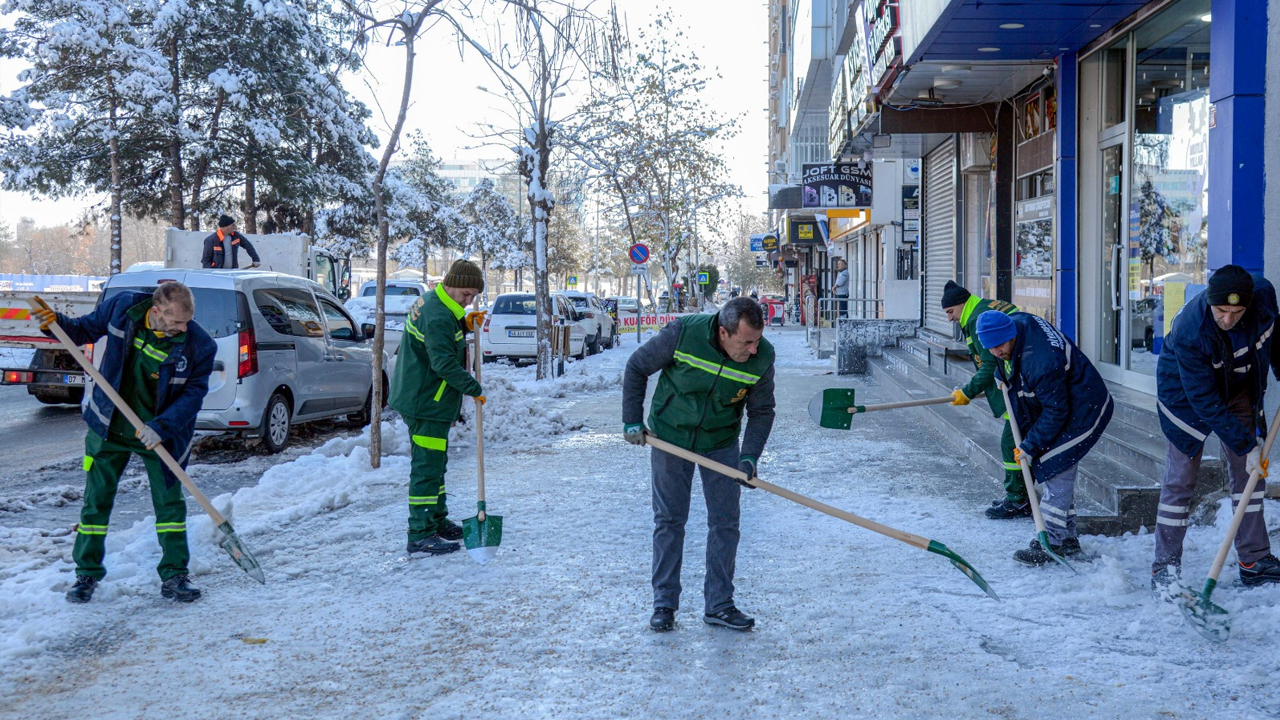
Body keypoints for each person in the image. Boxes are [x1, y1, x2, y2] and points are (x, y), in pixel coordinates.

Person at [34, 282, 217, 603]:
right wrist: (55, 323)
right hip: (110, 426)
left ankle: (175, 575)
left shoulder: (199, 345)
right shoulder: (123, 309)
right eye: (176, 322)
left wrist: (161, 427)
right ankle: (86, 574)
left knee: (170, 506)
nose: (182, 328)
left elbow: (193, 396)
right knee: (96, 500)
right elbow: (82, 331)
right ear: (155, 311)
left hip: (160, 436)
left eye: (186, 322)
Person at [622, 297, 776, 632]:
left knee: (725, 522)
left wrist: (749, 457)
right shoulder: (683, 334)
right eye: (746, 342)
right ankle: (664, 604)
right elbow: (637, 367)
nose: (753, 349)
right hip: (670, 436)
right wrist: (631, 421)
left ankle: (719, 605)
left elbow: (762, 412)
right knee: (670, 519)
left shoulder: (762, 357)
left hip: (720, 442)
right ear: (723, 332)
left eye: (758, 340)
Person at [1151, 265, 1280, 593]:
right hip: (1183, 394)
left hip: (1236, 386)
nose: (1227, 319)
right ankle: (1165, 568)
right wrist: (1245, 443)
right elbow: (1204, 401)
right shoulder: (1189, 330)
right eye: (1221, 310)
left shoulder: (1263, 299)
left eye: (1236, 312)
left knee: (1250, 476)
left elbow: (1273, 342)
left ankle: (1254, 560)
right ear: (1209, 301)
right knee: (1180, 480)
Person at [976, 309, 1113, 566]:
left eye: (1000, 346)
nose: (996, 353)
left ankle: (1051, 541)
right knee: (1053, 465)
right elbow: (1006, 362)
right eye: (990, 348)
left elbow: (1056, 412)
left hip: (1085, 406)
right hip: (1063, 400)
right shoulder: (1016, 326)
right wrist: (1001, 375)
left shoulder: (1040, 361)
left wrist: (1030, 445)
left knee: (1055, 465)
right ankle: (1068, 538)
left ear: (1010, 335)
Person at [388, 260, 487, 556]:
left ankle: (436, 520)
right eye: (466, 295)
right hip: (425, 402)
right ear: (452, 284)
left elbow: (443, 333)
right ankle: (419, 534)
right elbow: (443, 362)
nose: (468, 301)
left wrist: (465, 322)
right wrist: (473, 389)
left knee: (436, 464)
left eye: (472, 297)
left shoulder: (436, 303)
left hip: (426, 396)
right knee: (427, 469)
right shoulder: (437, 315)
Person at [941, 281, 1026, 519]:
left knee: (1011, 444)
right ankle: (1019, 494)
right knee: (1015, 443)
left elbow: (990, 363)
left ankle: (1018, 499)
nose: (949, 319)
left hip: (1019, 386)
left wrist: (967, 392)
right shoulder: (983, 309)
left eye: (950, 312)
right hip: (1017, 380)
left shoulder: (980, 320)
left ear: (962, 304)